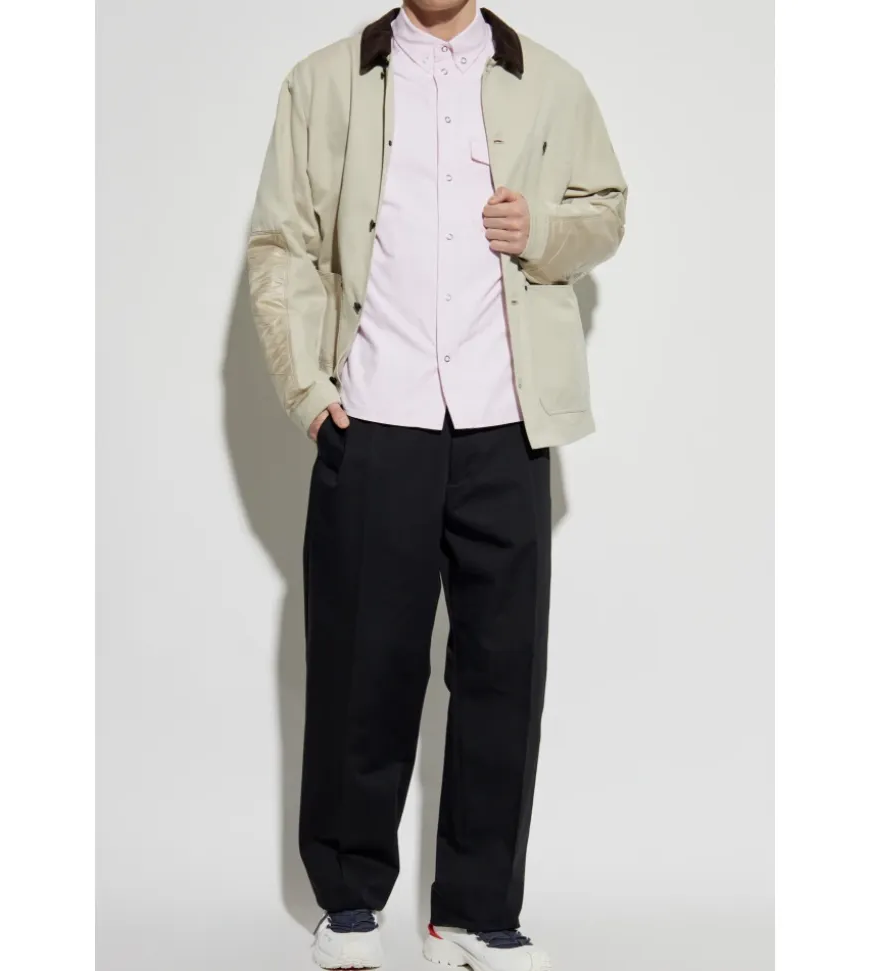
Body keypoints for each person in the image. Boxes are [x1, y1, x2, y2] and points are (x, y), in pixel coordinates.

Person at [247, 2, 627, 967]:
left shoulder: (551, 79)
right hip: (376, 415)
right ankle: (349, 904)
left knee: (504, 669)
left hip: (506, 417)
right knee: (361, 667)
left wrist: (542, 227)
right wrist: (309, 391)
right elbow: (282, 243)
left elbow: (605, 209)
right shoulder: (324, 79)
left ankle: (475, 912)